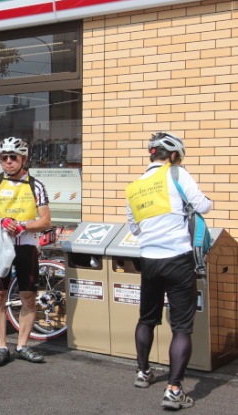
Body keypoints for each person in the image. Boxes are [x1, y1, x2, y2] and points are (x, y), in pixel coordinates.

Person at [125, 132, 211, 411]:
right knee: (182, 327)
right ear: (173, 155)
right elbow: (202, 205)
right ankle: (174, 390)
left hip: (149, 260)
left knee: (147, 318)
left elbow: (135, 228)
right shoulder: (176, 174)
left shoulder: (134, 187)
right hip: (178, 258)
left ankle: (142, 371)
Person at [0, 137, 51, 366]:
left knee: (28, 297)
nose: (9, 162)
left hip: (27, 247)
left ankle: (22, 345)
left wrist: (23, 226)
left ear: (23, 159)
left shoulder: (36, 185)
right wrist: (3, 221)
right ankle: (2, 347)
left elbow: (45, 221)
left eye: (14, 157)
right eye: (4, 158)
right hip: (1, 246)